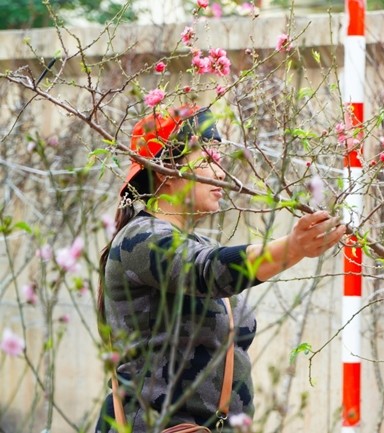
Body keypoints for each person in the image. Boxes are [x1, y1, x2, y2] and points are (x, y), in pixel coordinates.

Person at [95, 105, 346, 432]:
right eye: (208, 161)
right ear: (164, 171)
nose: (220, 173)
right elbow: (206, 271)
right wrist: (292, 248)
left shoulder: (193, 241)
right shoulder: (139, 240)